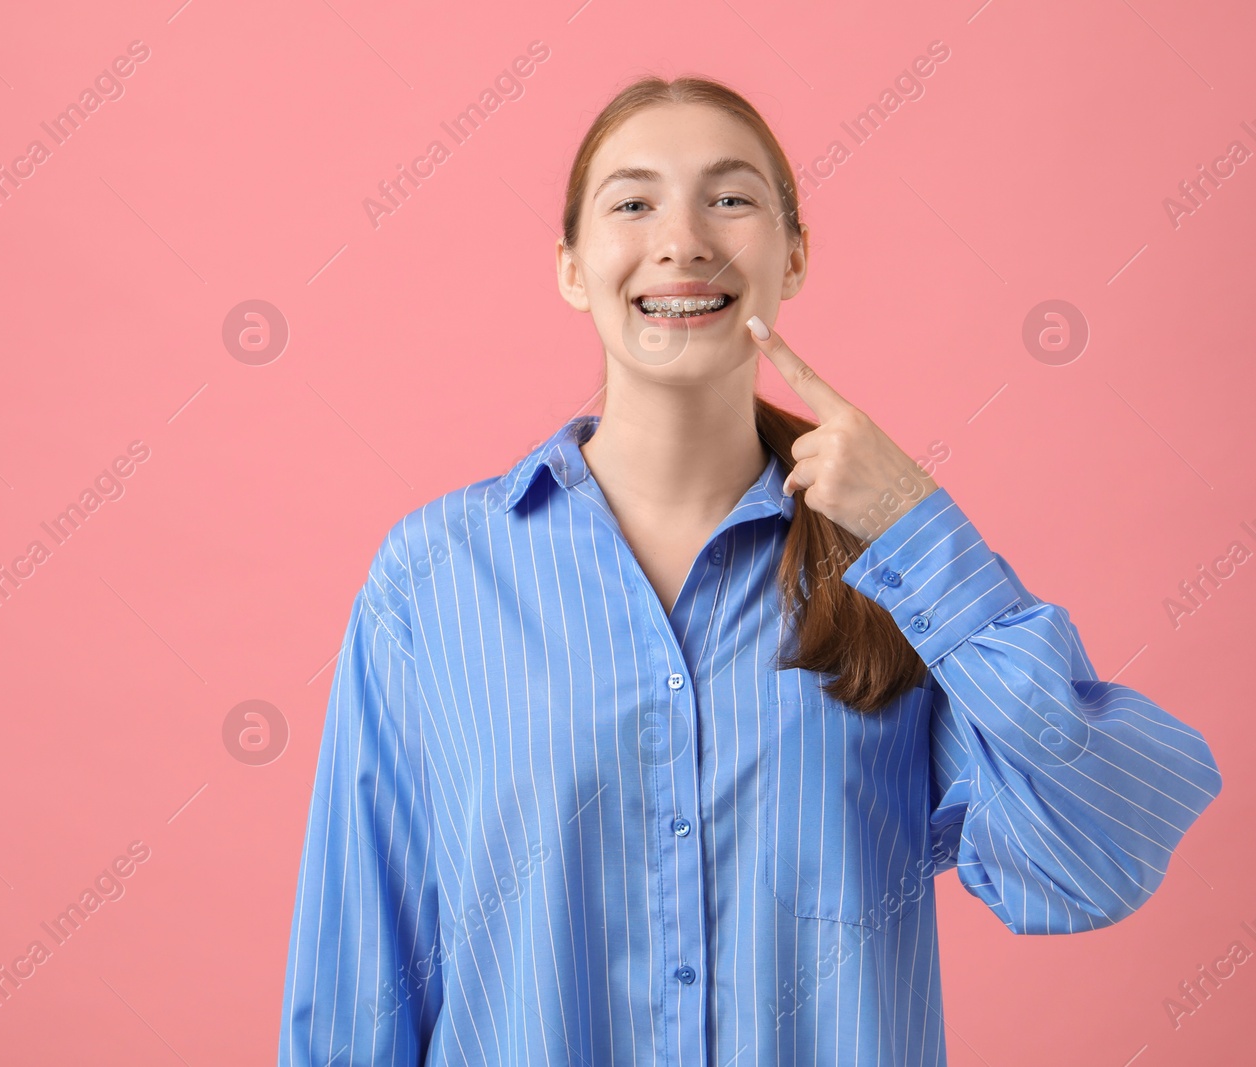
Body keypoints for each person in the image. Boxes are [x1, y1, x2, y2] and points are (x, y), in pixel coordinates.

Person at [276, 75, 1223, 1066]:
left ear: (795, 253)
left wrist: (919, 536)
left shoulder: (891, 574)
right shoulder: (433, 578)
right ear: (568, 266)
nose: (682, 238)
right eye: (633, 201)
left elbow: (1096, 855)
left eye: (729, 197)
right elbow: (358, 978)